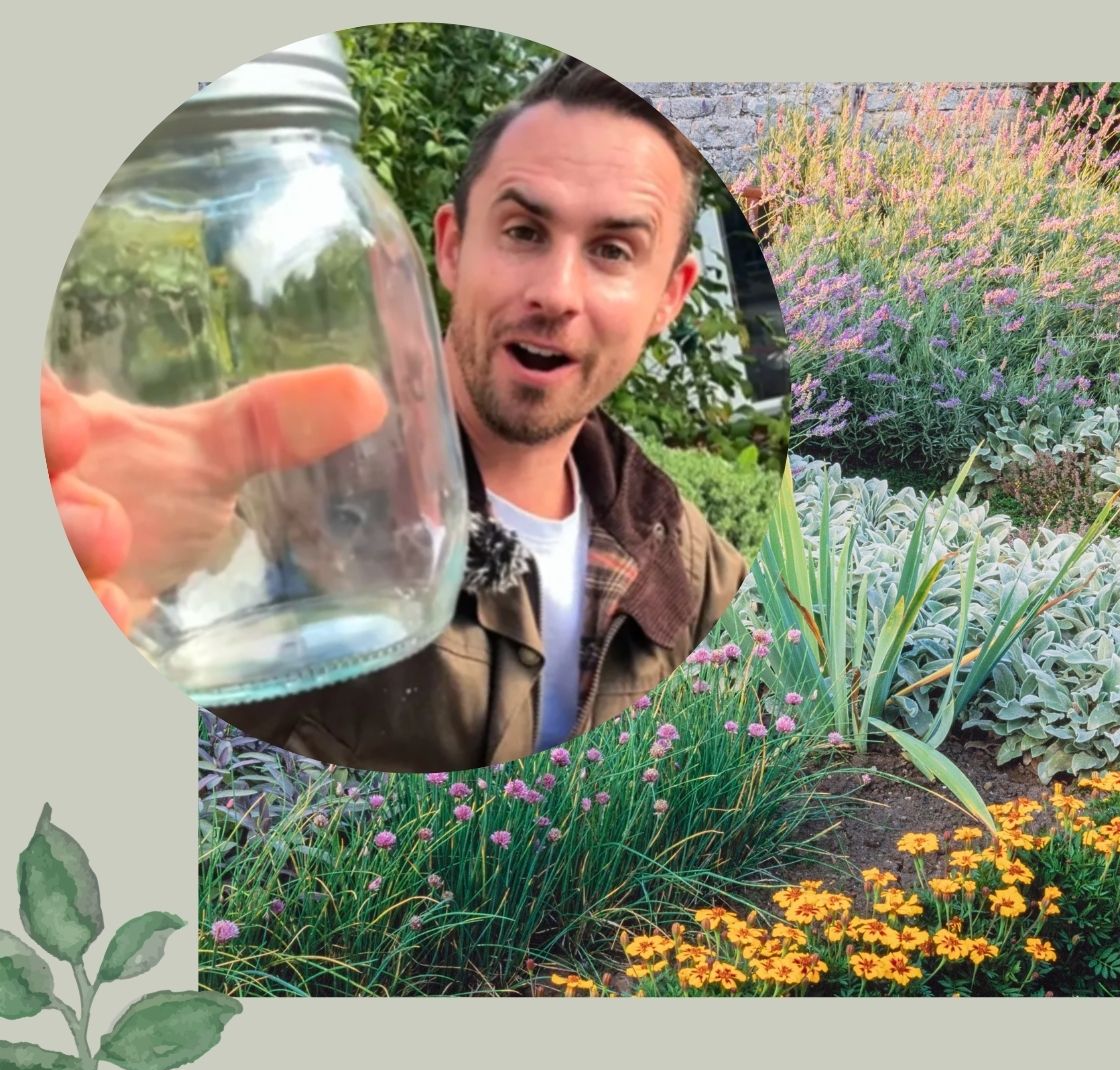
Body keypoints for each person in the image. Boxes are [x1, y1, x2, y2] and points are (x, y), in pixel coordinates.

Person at [40, 56, 748, 772]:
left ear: (669, 297)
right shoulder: (272, 503)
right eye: (524, 232)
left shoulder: (691, 570)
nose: (557, 294)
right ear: (451, 247)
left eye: (613, 250)